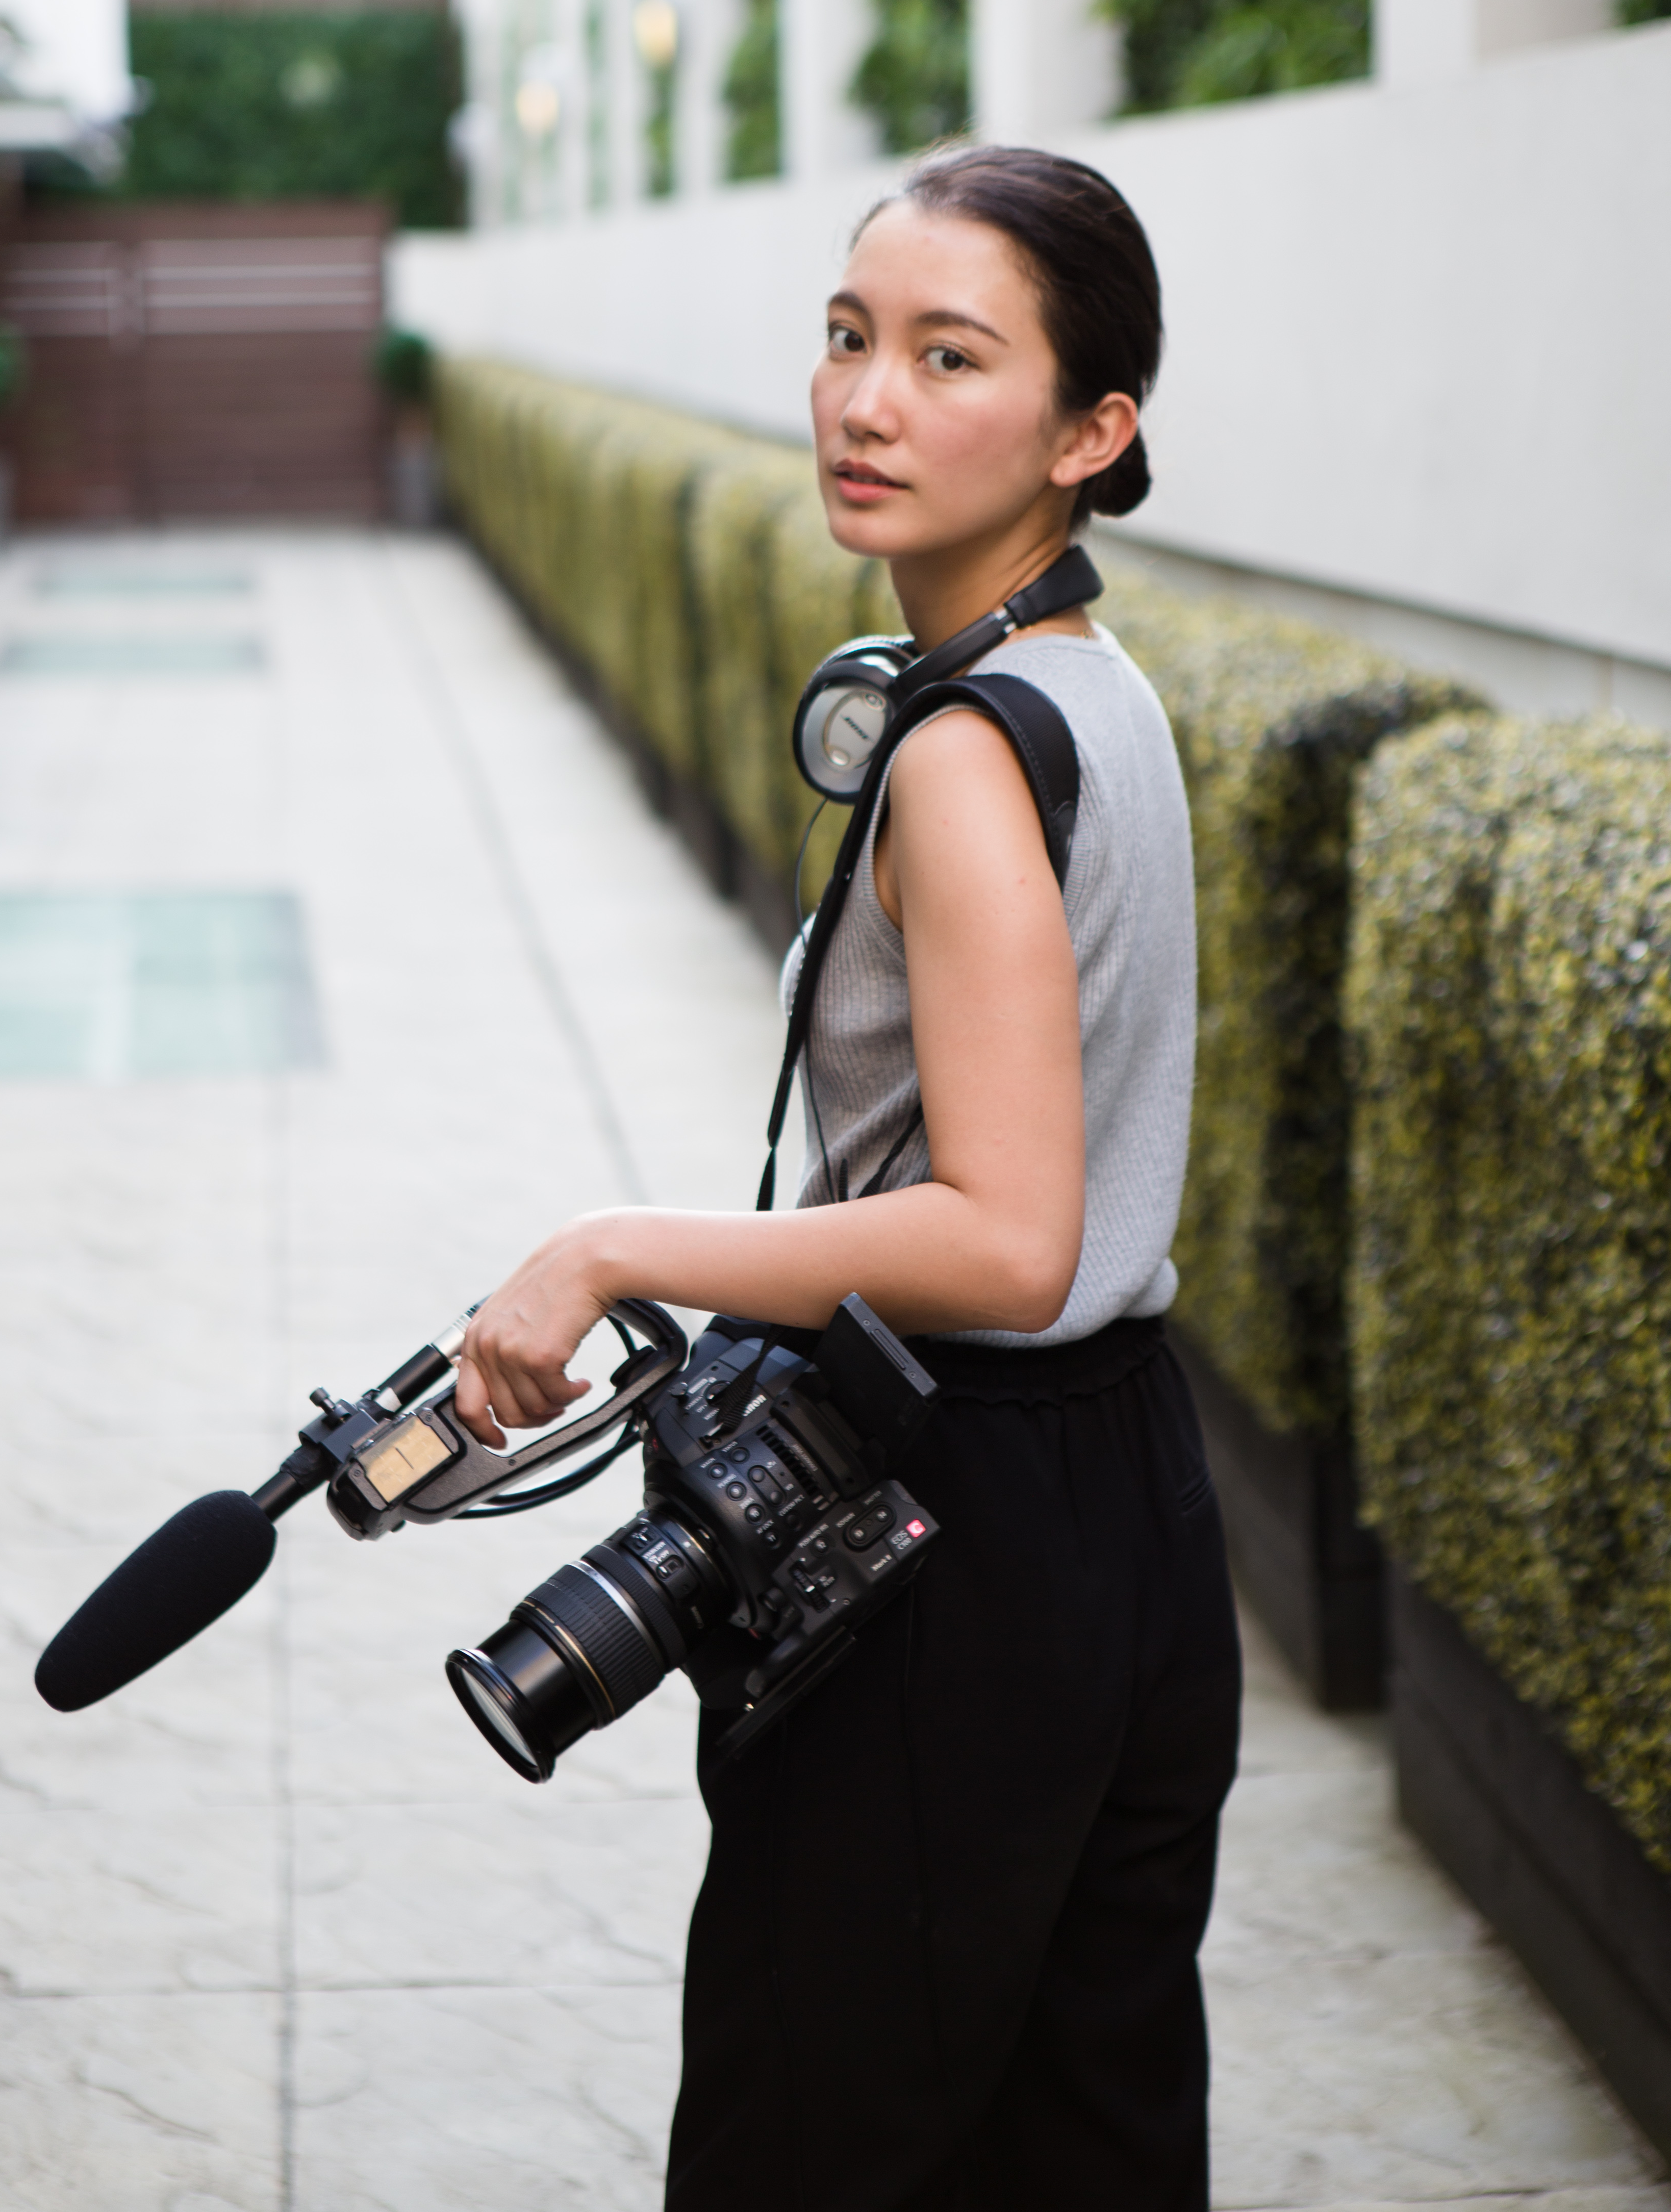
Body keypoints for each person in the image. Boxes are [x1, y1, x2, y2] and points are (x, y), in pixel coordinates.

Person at [455, 144, 1242, 2212]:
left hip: (952, 1523)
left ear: (1093, 430)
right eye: (846, 338)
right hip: (1129, 1507)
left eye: (948, 356)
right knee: (1084, 2132)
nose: (866, 400)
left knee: (816, 2136)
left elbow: (1007, 1234)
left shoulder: (971, 751)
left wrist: (606, 1246)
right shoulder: (1103, 694)